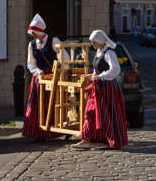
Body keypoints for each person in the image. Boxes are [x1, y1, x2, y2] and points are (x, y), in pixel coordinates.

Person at [72, 29, 128, 150]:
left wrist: (100, 76)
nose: (92, 44)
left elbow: (115, 70)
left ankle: (107, 140)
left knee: (106, 113)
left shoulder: (109, 53)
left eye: (94, 42)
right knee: (91, 112)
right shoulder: (98, 52)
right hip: (98, 87)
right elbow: (97, 70)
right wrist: (89, 76)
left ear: (100, 41)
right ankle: (88, 138)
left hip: (108, 88)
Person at [22, 13, 69, 141]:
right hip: (39, 77)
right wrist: (37, 71)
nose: (32, 35)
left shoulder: (54, 40)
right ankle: (39, 132)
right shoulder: (32, 45)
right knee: (37, 105)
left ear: (39, 31)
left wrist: (60, 71)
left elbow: (65, 58)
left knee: (53, 103)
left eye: (33, 32)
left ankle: (53, 132)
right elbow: (31, 63)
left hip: (53, 77)